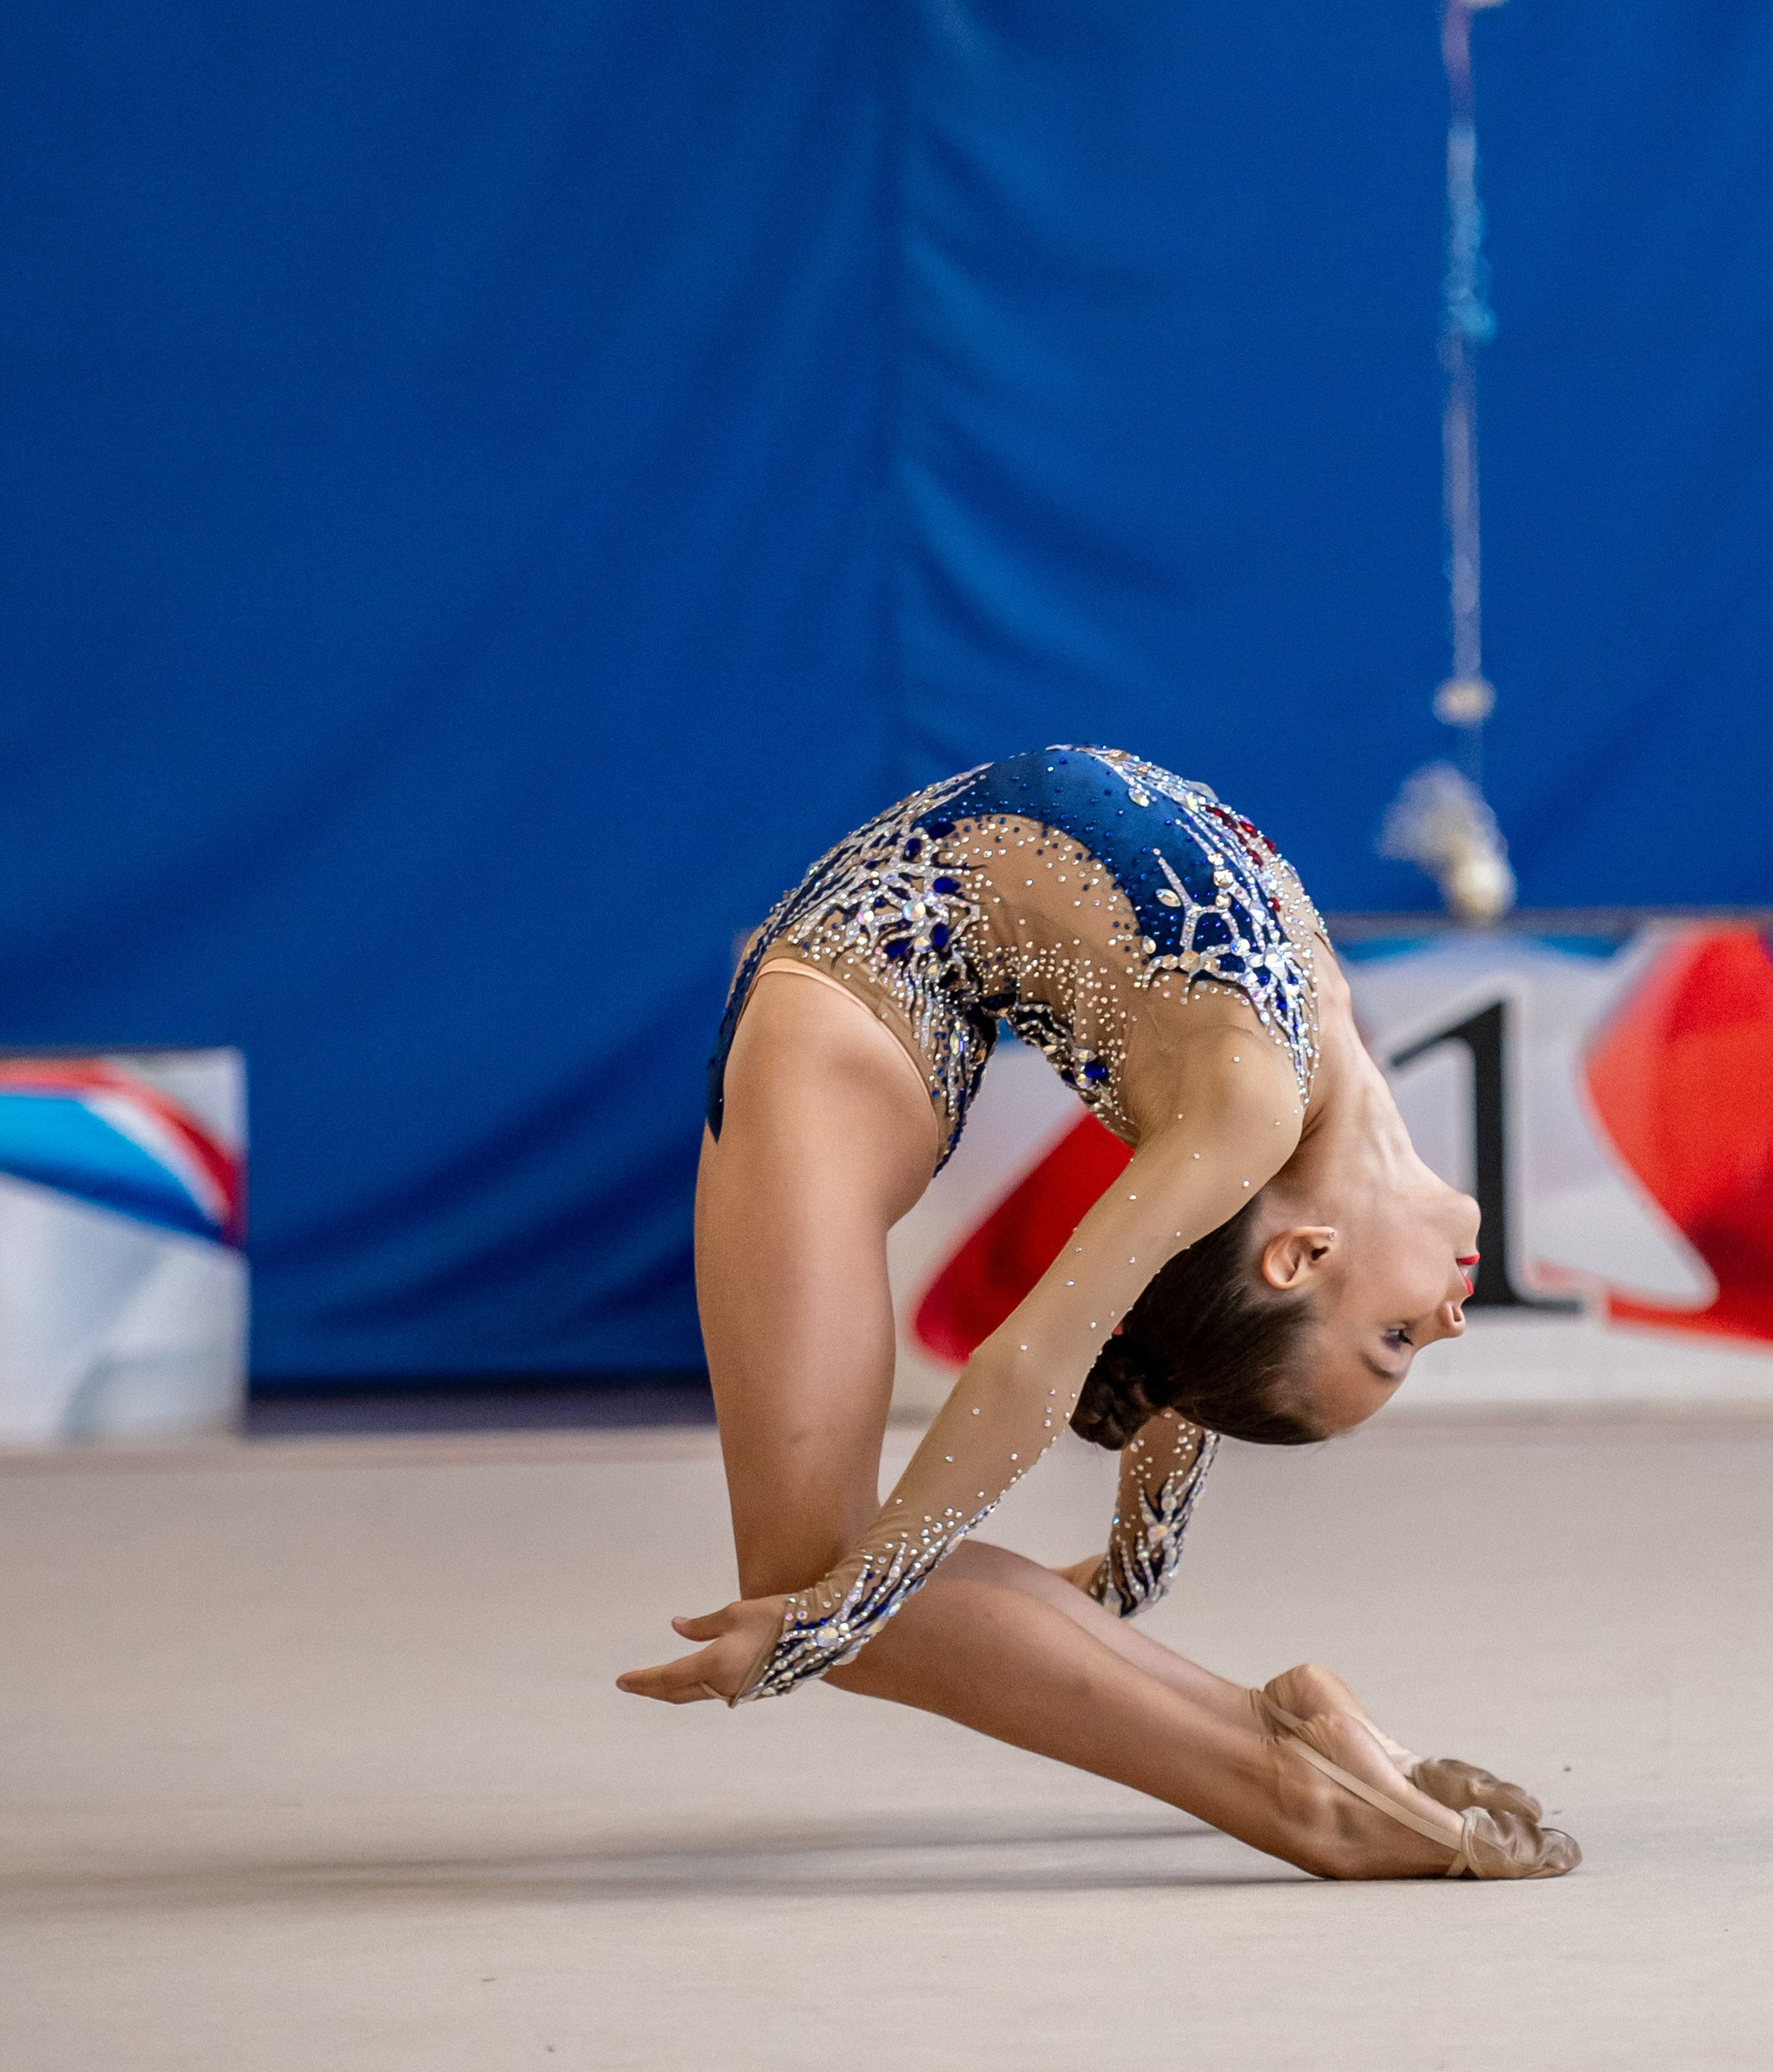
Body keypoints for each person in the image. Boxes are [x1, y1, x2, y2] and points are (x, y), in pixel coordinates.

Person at [618, 747, 1577, 1881]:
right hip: (852, 1000)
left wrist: (1131, 1562)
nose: (1446, 1325)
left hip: (858, 1000)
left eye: (1400, 1341)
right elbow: (1030, 1361)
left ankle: (1295, 1768)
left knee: (817, 1577)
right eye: (1397, 1341)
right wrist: (823, 1625)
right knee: (814, 1577)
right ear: (1300, 1253)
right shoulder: (1250, 1107)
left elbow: (1184, 1310)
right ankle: (1293, 1773)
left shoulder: (1298, 1061)